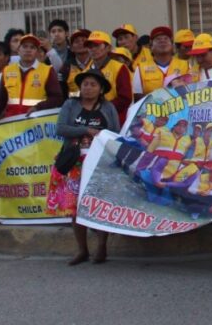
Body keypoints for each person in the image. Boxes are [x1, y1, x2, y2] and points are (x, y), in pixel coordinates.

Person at [53, 71, 119, 264]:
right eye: (85, 84)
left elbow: (116, 133)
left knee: (101, 204)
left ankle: (102, 246)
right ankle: (82, 249)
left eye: (93, 84)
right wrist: (86, 130)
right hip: (74, 162)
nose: (88, 88)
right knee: (75, 207)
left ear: (101, 89)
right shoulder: (70, 105)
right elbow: (60, 128)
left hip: (100, 163)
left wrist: (101, 136)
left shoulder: (108, 107)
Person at [0, 34, 64, 122]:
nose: (28, 50)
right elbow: (1, 99)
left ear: (37, 52)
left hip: (36, 123)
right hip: (12, 122)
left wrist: (38, 107)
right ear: (18, 50)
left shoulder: (47, 70)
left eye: (32, 47)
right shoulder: (8, 70)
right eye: (25, 46)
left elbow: (57, 98)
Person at [84, 31, 134, 124]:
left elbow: (125, 98)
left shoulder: (119, 68)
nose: (93, 49)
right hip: (90, 120)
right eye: (90, 46)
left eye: (97, 45)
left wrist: (101, 108)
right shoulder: (85, 71)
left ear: (108, 48)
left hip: (115, 120)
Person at [133, 27, 190, 98]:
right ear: (151, 46)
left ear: (172, 46)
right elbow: (137, 97)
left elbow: (193, 92)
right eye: (158, 39)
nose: (162, 41)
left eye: (166, 38)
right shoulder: (140, 69)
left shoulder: (186, 65)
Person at [63, 28, 93, 95]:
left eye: (84, 40)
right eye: (76, 41)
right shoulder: (66, 67)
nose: (81, 43)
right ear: (71, 48)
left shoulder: (97, 63)